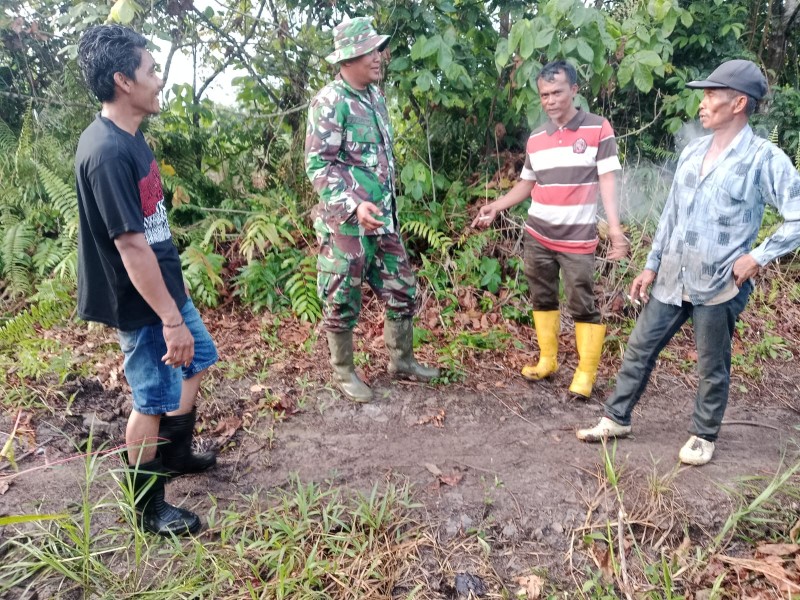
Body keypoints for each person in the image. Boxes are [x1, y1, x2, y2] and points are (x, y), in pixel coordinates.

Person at [576, 59, 800, 465]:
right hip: (674, 274)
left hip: (720, 282)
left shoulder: (763, 159)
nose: (703, 103)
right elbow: (671, 215)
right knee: (640, 347)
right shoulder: (694, 151)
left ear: (739, 104)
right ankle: (616, 417)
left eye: (712, 95)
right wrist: (651, 263)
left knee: (712, 363)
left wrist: (758, 256)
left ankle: (703, 434)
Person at [76, 24, 218, 535]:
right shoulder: (107, 152)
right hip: (142, 303)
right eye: (151, 70)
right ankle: (148, 508)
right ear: (123, 81)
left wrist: (176, 309)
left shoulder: (130, 137)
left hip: (165, 290)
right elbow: (130, 246)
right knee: (151, 399)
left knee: (199, 359)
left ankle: (175, 455)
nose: (159, 80)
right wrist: (169, 319)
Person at [472, 60, 628, 398]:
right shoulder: (537, 138)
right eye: (544, 94)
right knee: (542, 297)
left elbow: (607, 181)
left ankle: (585, 374)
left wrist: (615, 229)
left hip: (577, 238)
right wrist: (496, 205)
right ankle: (548, 360)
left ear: (574, 90)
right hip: (538, 236)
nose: (550, 100)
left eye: (557, 92)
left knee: (582, 302)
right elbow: (527, 184)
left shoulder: (598, 128)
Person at [305, 17, 439, 403]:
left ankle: (402, 360)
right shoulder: (331, 102)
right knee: (342, 296)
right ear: (348, 59)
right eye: (370, 51)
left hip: (382, 220)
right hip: (346, 228)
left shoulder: (375, 97)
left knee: (402, 288)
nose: (379, 57)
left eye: (378, 49)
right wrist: (352, 205)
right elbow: (318, 166)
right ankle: (344, 372)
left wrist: (380, 207)